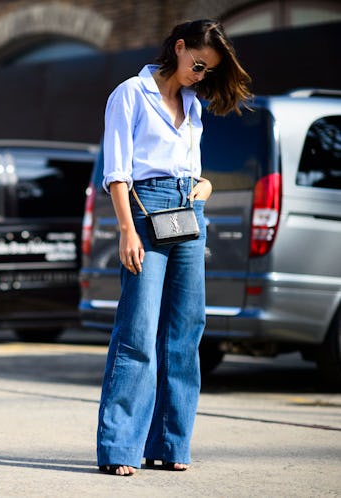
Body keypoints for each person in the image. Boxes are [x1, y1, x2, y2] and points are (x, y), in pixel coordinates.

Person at [95, 19, 252, 476]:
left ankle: (168, 444)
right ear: (179, 48)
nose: (199, 75)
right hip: (144, 214)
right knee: (138, 331)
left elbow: (195, 168)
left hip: (187, 211)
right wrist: (126, 229)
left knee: (186, 331)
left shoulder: (192, 103)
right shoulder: (129, 94)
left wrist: (203, 189)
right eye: (197, 64)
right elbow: (117, 171)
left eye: (208, 71)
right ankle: (120, 448)